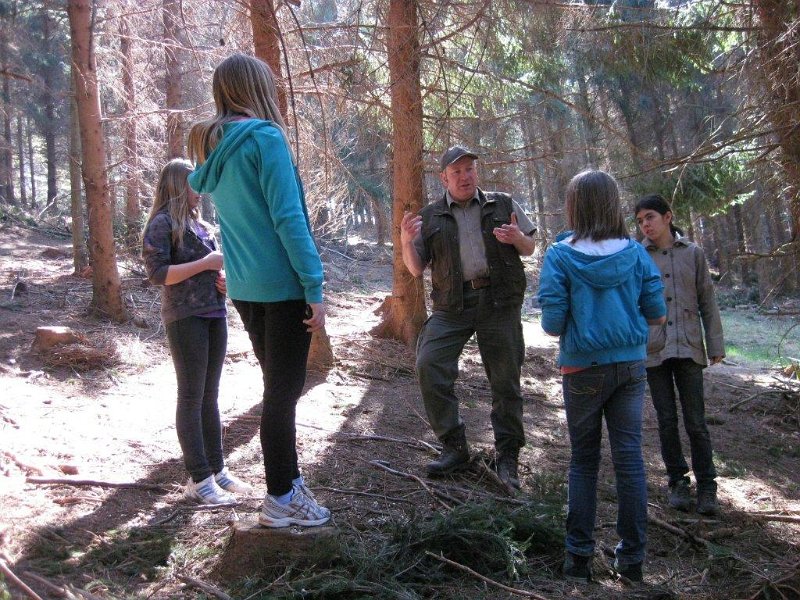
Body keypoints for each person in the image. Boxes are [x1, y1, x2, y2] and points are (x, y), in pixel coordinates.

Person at [186, 53, 330, 528]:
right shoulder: (265, 139)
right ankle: (282, 498)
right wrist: (314, 284)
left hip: (246, 289)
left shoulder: (216, 147)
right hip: (284, 286)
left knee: (278, 389)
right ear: (256, 88)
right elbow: (288, 219)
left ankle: (288, 483)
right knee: (283, 393)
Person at [537, 170, 666, 583]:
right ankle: (632, 563)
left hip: (582, 370)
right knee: (630, 463)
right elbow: (657, 313)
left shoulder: (560, 255)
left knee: (584, 462)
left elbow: (553, 324)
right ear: (612, 205)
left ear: (575, 206)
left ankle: (578, 559)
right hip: (630, 367)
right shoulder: (636, 253)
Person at [400, 146, 537, 492]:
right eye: (456, 171)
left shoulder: (503, 203)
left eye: (469, 169)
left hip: (498, 302)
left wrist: (516, 238)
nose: (464, 176)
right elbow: (416, 268)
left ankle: (508, 455)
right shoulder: (430, 217)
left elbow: (530, 247)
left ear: (477, 172)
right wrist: (405, 241)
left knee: (506, 381)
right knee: (429, 364)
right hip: (452, 306)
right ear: (443, 178)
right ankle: (455, 446)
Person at [142, 158, 252, 505]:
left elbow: (212, 270)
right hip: (184, 317)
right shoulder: (162, 224)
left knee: (210, 395)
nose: (200, 189)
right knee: (191, 396)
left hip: (213, 314)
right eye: (194, 182)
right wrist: (205, 264)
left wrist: (221, 281)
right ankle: (199, 478)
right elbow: (159, 274)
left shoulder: (201, 224)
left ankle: (217, 471)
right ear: (177, 184)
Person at [635, 194, 724, 516]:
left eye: (650, 217)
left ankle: (708, 486)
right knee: (666, 420)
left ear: (667, 217)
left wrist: (715, 345)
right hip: (653, 349)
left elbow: (707, 303)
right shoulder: (638, 256)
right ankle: (677, 481)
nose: (645, 224)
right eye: (640, 220)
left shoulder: (693, 254)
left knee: (696, 422)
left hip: (688, 346)